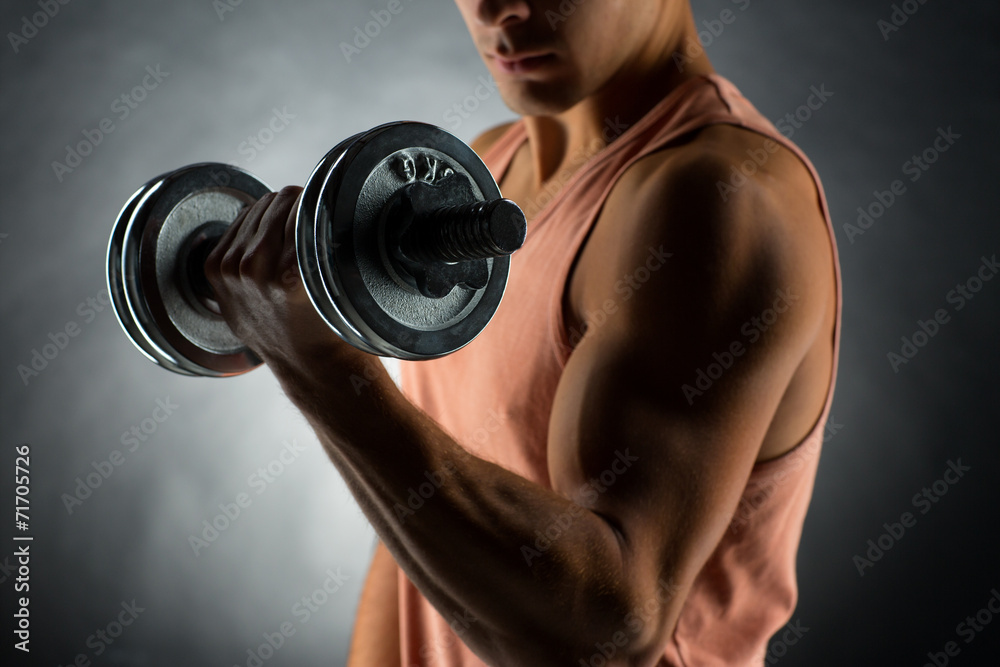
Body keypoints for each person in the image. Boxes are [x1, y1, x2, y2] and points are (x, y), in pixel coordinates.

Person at [203, 0, 841, 664]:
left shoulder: (719, 196)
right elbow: (417, 522)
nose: (494, 7)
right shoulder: (484, 169)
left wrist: (325, 370)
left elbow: (609, 635)